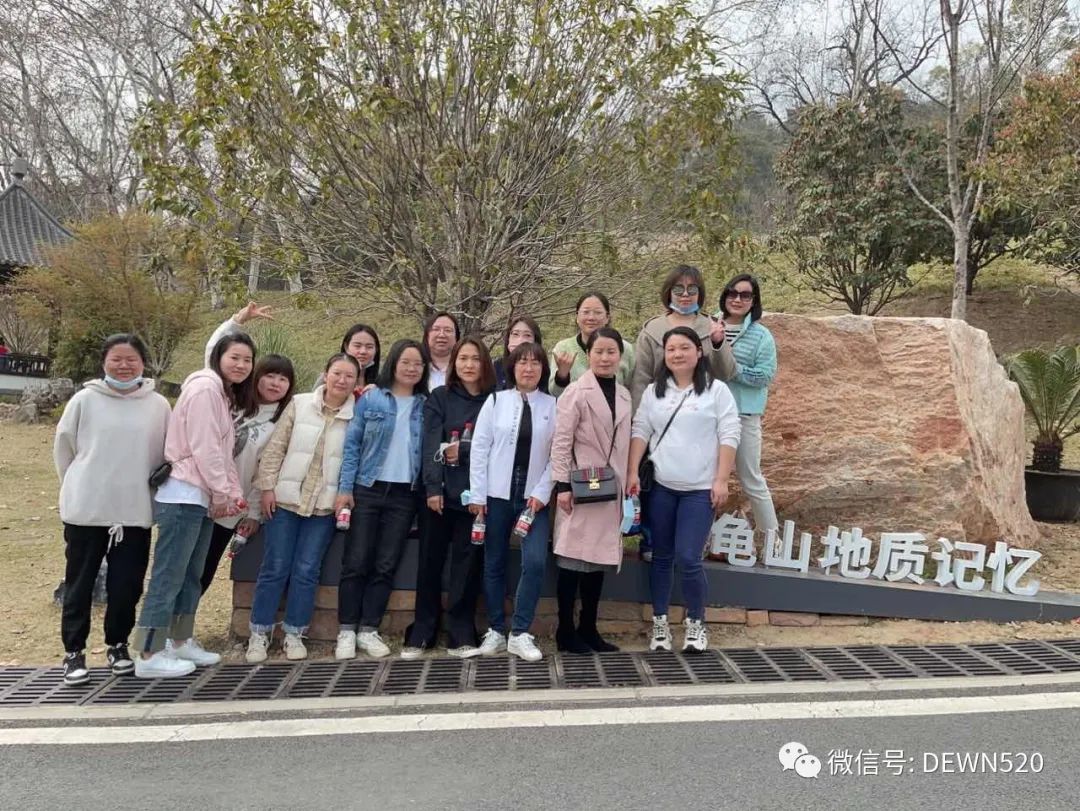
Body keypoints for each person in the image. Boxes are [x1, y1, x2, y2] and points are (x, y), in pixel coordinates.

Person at [131, 333, 253, 678]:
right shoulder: (204, 390)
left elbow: (222, 452)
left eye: (247, 360)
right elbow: (205, 449)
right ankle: (149, 652)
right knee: (169, 576)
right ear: (217, 356)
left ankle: (180, 640)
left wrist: (230, 492)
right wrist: (224, 492)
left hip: (201, 497)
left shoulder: (220, 393)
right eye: (234, 357)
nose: (241, 365)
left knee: (190, 576)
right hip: (183, 494)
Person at [53, 334, 171, 685]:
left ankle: (117, 645)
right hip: (88, 509)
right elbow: (65, 449)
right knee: (79, 584)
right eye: (116, 359)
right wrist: (77, 487)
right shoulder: (84, 400)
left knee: (127, 586)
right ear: (104, 361)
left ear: (143, 363)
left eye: (131, 359)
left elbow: (167, 454)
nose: (124, 365)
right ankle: (74, 652)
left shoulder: (158, 405)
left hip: (134, 510)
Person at [626, 327, 740, 654]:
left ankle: (695, 623)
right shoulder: (654, 392)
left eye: (685, 347)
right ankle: (660, 623)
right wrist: (632, 471)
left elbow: (729, 433)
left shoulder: (717, 391)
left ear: (699, 352)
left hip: (699, 490)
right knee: (660, 556)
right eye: (671, 349)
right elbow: (641, 430)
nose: (677, 354)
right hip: (661, 488)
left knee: (689, 558)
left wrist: (721, 479)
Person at [245, 354, 360, 663]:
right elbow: (276, 448)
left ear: (356, 382)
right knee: (275, 567)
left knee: (307, 570)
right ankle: (259, 633)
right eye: (337, 373)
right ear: (326, 373)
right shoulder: (300, 403)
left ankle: (295, 633)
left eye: (349, 376)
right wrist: (267, 487)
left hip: (324, 507)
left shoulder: (356, 416)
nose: (342, 380)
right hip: (285, 501)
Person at [401, 337, 496, 659]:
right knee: (430, 563)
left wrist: (464, 450)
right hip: (438, 496)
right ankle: (423, 630)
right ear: (454, 363)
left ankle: (461, 632)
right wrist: (432, 488)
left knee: (467, 565)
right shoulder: (440, 397)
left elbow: (495, 445)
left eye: (475, 359)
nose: (469, 365)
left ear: (485, 364)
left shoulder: (495, 400)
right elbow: (431, 444)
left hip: (476, 496)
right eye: (463, 358)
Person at [334, 339, 428, 659]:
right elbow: (352, 446)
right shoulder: (372, 398)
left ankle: (369, 629)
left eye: (418, 364)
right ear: (393, 363)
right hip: (368, 487)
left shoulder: (426, 405)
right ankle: (347, 629)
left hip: (405, 494)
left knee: (386, 564)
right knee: (356, 561)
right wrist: (345, 489)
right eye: (406, 362)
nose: (411, 368)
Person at [469, 342, 557, 662]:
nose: (528, 368)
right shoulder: (496, 400)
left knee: (534, 562)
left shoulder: (552, 405)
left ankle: (520, 632)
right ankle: (496, 629)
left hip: (533, 497)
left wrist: (541, 493)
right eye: (522, 362)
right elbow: (480, 448)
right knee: (493, 561)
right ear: (512, 367)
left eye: (535, 363)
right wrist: (478, 495)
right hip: (497, 494)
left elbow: (558, 455)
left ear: (543, 369)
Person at [199, 304, 296, 595]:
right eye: (270, 375)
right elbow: (214, 356)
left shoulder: (282, 421)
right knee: (179, 566)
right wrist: (236, 321)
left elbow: (265, 471)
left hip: (229, 507)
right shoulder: (231, 398)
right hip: (198, 494)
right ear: (257, 375)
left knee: (203, 571)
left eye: (283, 378)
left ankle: (183, 623)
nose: (275, 383)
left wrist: (253, 513)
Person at [550, 327, 632, 654]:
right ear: (588, 355)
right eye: (599, 351)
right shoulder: (575, 392)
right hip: (581, 485)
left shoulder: (624, 395)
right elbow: (561, 441)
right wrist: (563, 485)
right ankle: (565, 630)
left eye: (611, 352)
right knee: (573, 559)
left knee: (599, 561)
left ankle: (589, 627)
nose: (605, 358)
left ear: (620, 356)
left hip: (611, 487)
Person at [717, 273, 780, 539]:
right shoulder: (710, 326)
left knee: (751, 478)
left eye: (745, 295)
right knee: (704, 478)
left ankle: (773, 540)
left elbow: (764, 376)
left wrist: (732, 368)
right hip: (709, 413)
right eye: (732, 293)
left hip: (743, 415)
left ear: (754, 301)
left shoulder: (761, 335)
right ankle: (702, 539)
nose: (737, 299)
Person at [629, 264, 735, 412]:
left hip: (705, 411)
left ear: (699, 293)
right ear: (669, 292)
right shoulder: (652, 331)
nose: (685, 294)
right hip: (661, 411)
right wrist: (638, 417)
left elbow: (726, 373)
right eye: (678, 289)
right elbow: (640, 379)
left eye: (692, 289)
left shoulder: (712, 327)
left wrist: (718, 343)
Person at [549, 292, 635, 395]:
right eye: (586, 312)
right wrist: (562, 376)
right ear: (577, 317)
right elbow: (555, 393)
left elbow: (634, 390)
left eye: (598, 312)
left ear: (607, 317)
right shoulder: (563, 348)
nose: (591, 318)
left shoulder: (625, 349)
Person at [493, 315, 548, 393]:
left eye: (527, 335)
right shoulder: (497, 366)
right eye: (515, 334)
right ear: (508, 339)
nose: (520, 340)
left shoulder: (541, 368)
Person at [421, 312, 461, 391]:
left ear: (456, 337)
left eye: (448, 330)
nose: (442, 335)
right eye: (436, 329)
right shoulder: (416, 367)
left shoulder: (464, 368)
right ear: (427, 335)